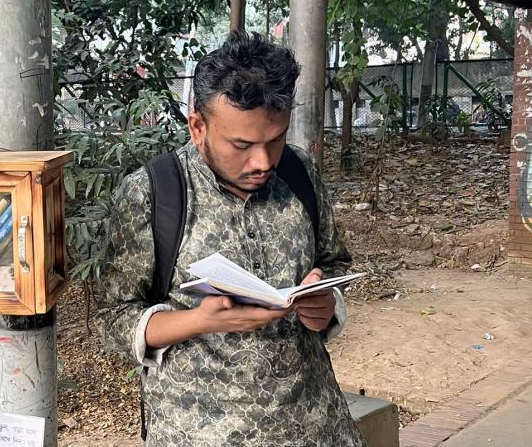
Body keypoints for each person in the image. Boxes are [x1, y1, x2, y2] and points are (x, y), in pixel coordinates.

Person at [95, 30, 364, 446]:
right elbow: (112, 320)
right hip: (198, 432)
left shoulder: (298, 172)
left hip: (315, 426)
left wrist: (326, 304)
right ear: (198, 126)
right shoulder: (154, 193)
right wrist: (198, 320)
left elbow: (332, 263)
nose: (261, 162)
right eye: (241, 145)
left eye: (275, 140)